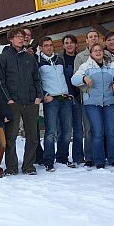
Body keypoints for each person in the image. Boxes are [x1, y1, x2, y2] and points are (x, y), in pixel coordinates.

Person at [0, 27, 43, 175]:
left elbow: (37, 78)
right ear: (10, 39)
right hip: (13, 103)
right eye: (17, 36)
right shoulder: (3, 58)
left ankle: (28, 166)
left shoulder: (30, 57)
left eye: (22, 37)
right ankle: (11, 166)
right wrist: (8, 99)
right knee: (11, 136)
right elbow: (0, 80)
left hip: (31, 102)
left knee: (33, 137)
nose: (21, 39)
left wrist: (38, 97)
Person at [72, 43, 114, 169]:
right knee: (97, 132)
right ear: (91, 54)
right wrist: (84, 78)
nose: (98, 52)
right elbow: (74, 79)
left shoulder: (112, 65)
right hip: (92, 103)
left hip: (110, 101)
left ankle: (113, 158)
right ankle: (99, 160)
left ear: (103, 52)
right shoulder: (86, 66)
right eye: (95, 51)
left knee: (111, 131)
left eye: (100, 50)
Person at [38, 37, 73, 172]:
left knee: (66, 131)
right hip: (51, 100)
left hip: (64, 98)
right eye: (46, 45)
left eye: (51, 45)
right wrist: (44, 95)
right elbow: (37, 81)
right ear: (41, 47)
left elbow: (66, 77)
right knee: (51, 132)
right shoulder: (39, 63)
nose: (49, 48)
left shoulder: (59, 60)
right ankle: (48, 160)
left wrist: (69, 93)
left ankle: (62, 157)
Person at [74, 29, 100, 167]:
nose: (94, 38)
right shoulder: (80, 57)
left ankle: (103, 154)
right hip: (89, 97)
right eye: (91, 37)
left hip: (105, 98)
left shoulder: (105, 54)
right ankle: (89, 157)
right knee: (89, 129)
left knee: (105, 128)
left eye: (96, 36)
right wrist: (88, 91)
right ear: (87, 40)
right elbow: (77, 78)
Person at [59, 34, 85, 164]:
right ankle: (62, 156)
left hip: (78, 97)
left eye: (71, 42)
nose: (69, 45)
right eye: (66, 43)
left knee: (79, 129)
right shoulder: (60, 59)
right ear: (63, 45)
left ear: (76, 44)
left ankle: (78, 156)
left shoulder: (80, 59)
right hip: (64, 98)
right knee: (65, 130)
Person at [23, 27, 44, 166]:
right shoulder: (8, 51)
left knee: (34, 130)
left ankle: (36, 156)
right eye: (23, 35)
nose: (26, 37)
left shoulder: (34, 54)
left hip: (31, 96)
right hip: (16, 98)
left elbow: (36, 75)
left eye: (28, 35)